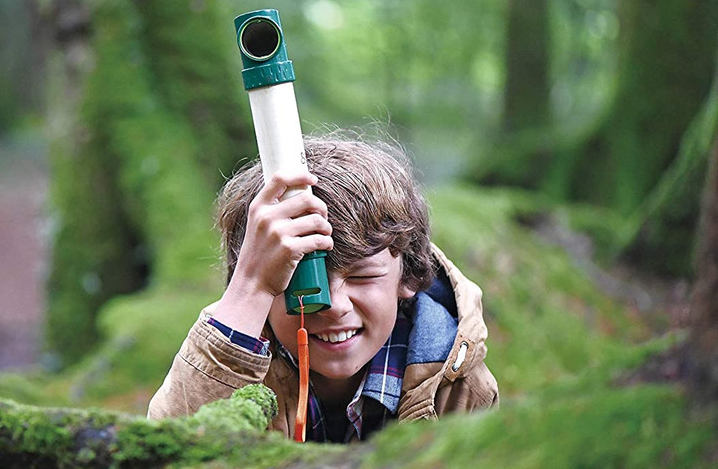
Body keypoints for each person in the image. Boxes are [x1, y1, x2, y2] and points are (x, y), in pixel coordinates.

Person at [148, 135, 498, 442]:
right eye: (296, 279)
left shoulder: (458, 387)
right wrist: (249, 288)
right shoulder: (235, 362)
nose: (332, 305)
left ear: (408, 275)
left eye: (362, 277)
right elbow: (169, 467)